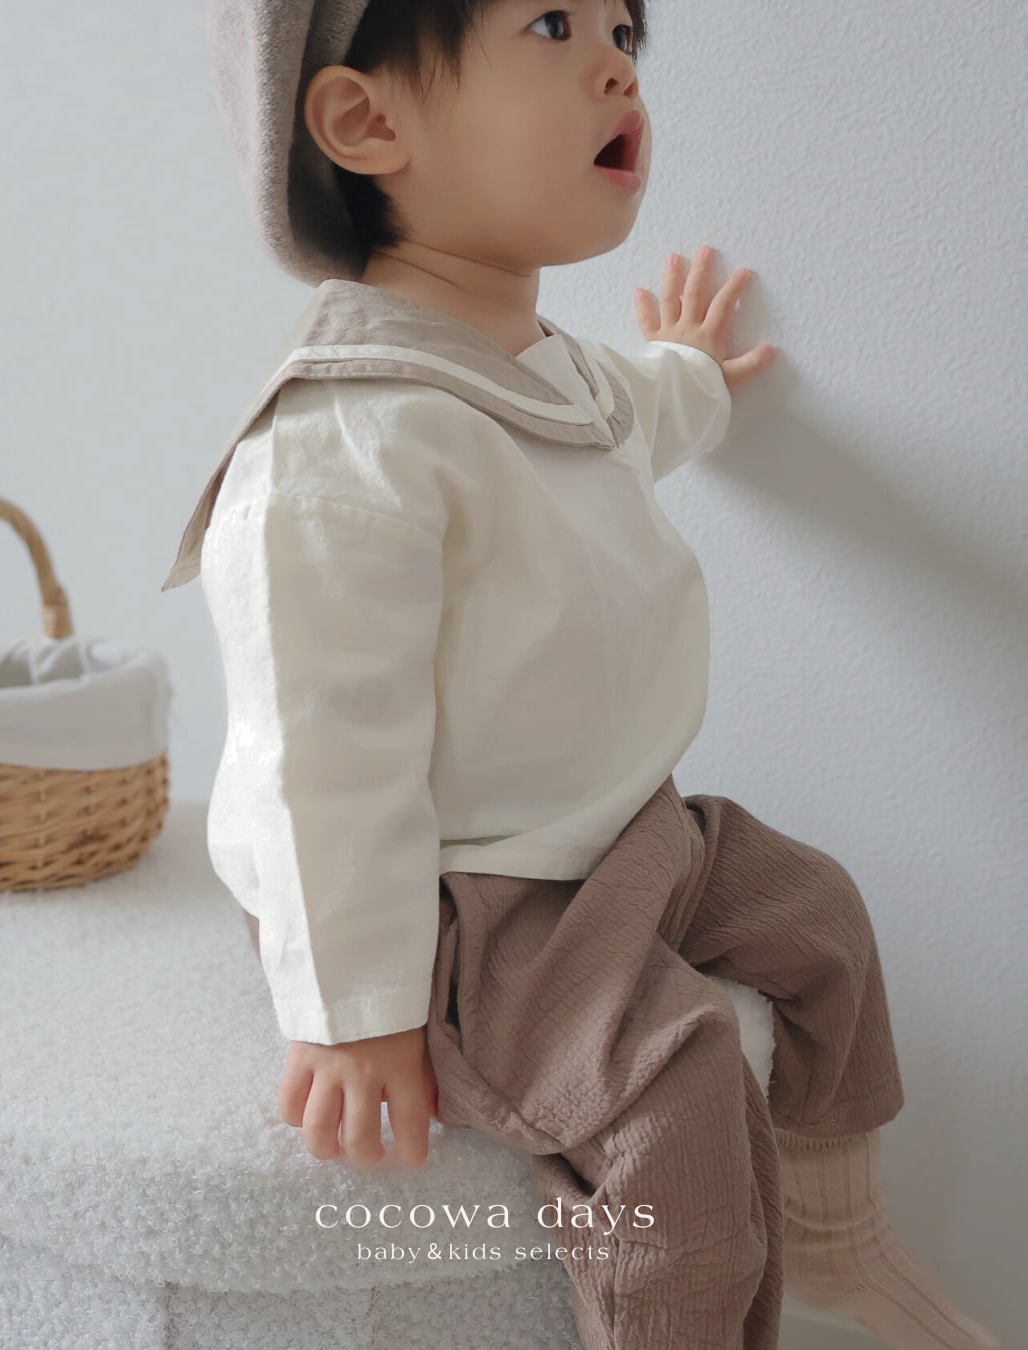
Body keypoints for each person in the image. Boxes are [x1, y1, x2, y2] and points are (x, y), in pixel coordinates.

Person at [161, 2, 1002, 1346]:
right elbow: (320, 751)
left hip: (615, 830)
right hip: (469, 898)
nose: (617, 63)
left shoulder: (535, 371)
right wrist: (354, 1011)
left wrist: (693, 374)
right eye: (553, 24)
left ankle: (837, 1236)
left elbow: (629, 414)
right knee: (681, 1090)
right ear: (367, 121)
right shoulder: (347, 445)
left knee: (824, 921)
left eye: (621, 28)